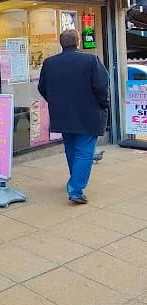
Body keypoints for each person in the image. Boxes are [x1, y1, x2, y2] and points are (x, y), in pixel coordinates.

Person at [38, 28, 109, 204]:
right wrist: (103, 105)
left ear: (61, 43)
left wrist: (56, 102)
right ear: (78, 42)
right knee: (84, 152)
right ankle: (76, 190)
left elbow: (42, 88)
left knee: (71, 149)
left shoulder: (49, 63)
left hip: (62, 114)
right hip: (88, 113)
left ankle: (74, 181)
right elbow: (102, 87)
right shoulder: (91, 60)